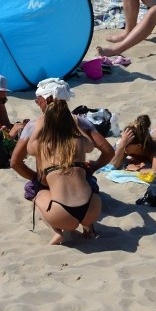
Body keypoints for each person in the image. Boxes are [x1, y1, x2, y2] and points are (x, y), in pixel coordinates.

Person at [10, 78, 113, 189]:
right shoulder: (80, 122)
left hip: (49, 184)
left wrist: (36, 177)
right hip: (78, 183)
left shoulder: (34, 126)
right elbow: (109, 151)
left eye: (38, 100)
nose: (37, 104)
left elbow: (15, 163)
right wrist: (93, 167)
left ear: (48, 99)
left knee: (29, 188)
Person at [26, 100, 104, 244]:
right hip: (91, 209)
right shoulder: (79, 141)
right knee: (88, 183)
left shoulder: (42, 145)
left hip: (61, 215)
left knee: (38, 194)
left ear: (47, 123)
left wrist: (38, 126)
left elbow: (29, 146)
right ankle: (88, 227)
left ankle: (56, 232)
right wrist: (76, 125)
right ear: (69, 121)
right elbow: (91, 146)